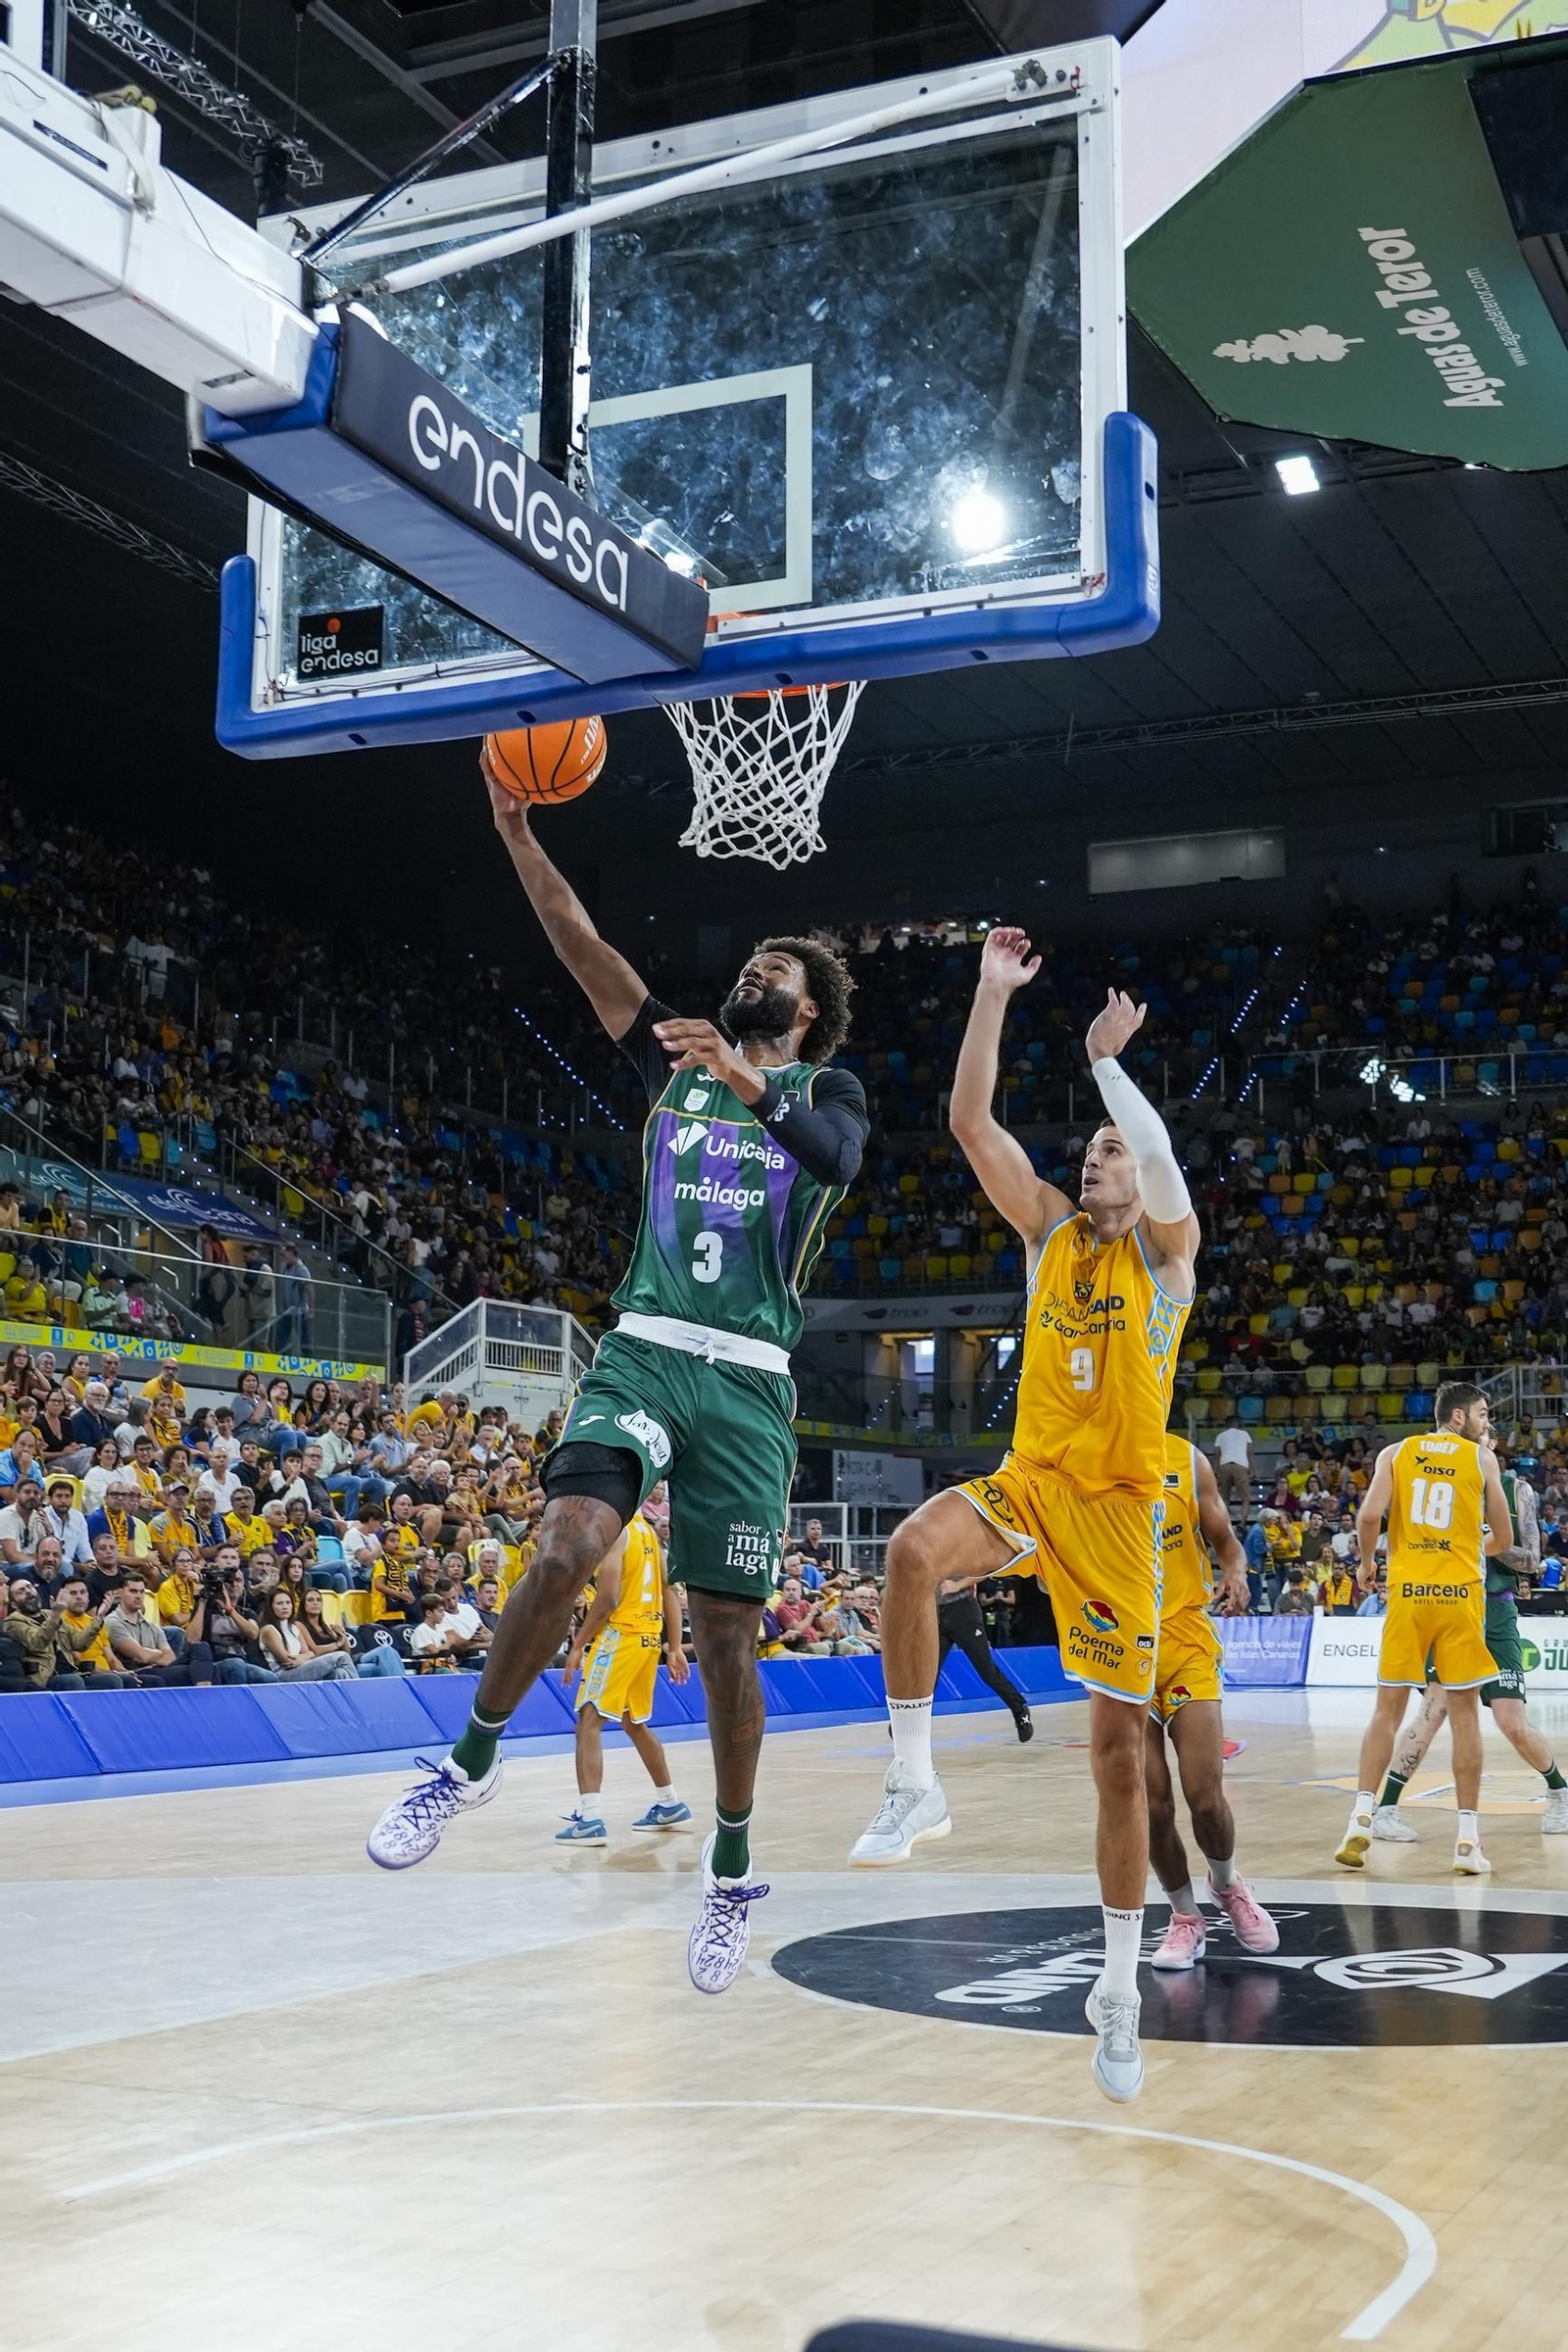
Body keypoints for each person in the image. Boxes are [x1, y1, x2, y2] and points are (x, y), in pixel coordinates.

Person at [368, 757, 866, 2003]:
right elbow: (577, 940)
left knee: (729, 1638)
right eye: (749, 961)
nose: (752, 972)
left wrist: (742, 1078)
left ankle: (732, 1867)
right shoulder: (672, 1059)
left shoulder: (823, 1086)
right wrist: (516, 833)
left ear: (804, 1009)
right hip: (644, 1345)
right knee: (567, 1541)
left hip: (748, 1382)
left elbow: (837, 1160)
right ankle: (469, 1762)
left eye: (774, 970)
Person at [848, 947, 1198, 2107]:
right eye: (1088, 1150)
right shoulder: (1048, 1232)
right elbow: (968, 1123)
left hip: (1118, 1517)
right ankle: (914, 1781)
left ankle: (1117, 1987)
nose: (1095, 1160)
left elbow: (1157, 1157)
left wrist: (1108, 1073)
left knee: (1117, 1761)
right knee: (909, 1552)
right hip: (1032, 1483)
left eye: (1108, 1151)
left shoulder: (1167, 1256)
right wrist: (991, 994)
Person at [1335, 1384, 1512, 1877]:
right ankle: (1467, 1842)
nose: (1486, 1423)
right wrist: (1469, 1545)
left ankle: (1361, 1816)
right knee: (1464, 1718)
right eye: (1482, 1413)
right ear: (1457, 1418)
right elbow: (1504, 1538)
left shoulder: (1395, 1453)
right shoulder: (1482, 1460)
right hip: (1460, 1598)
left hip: (1408, 1595)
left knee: (1386, 1712)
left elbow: (1369, 1516)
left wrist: (1367, 1563)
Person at [1368, 1442, 1568, 1843]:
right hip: (1448, 1604)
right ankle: (1385, 1809)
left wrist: (1479, 1538)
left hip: (1495, 1610)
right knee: (1433, 1709)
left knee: (1512, 1722)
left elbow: (1531, 1559)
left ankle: (1559, 1792)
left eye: (1486, 1423)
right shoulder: (1432, 1478)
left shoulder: (1514, 1488)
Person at [1147, 1438, 1278, 1969]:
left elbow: (1224, 1539)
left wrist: (1236, 1570)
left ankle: (1226, 1885)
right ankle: (1184, 1917)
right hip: (1116, 1648)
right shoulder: (1085, 1460)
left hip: (1185, 1640)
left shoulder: (1185, 1459)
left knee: (1204, 1796)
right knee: (1150, 1806)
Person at [556, 1510, 693, 1845]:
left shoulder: (617, 1532)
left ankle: (590, 1819)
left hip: (621, 1636)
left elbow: (607, 1598)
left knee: (588, 1723)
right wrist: (674, 1647)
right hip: (649, 1641)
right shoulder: (649, 1533)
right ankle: (669, 1803)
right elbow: (669, 1592)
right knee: (634, 1723)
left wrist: (578, 1643)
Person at [934, 1574, 1033, 1740]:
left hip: (963, 1612)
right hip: (936, 1613)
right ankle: (910, 1716)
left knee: (987, 1671)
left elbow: (983, 1572)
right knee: (929, 1673)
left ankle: (1019, 1709)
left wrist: (958, 1585)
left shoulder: (961, 1555)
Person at [260, 1586, 357, 1681]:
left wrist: (300, 1658)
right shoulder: (269, 1630)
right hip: (285, 1674)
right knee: (342, 1656)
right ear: (271, 1607)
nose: (285, 1607)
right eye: (279, 1603)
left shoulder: (293, 1628)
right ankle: (360, 1689)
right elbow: (288, 1661)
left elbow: (310, 1654)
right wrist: (303, 1658)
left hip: (302, 1667)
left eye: (288, 1603)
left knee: (339, 1672)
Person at [1210, 1416, 1253, 1518]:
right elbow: (1250, 1453)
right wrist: (1254, 1471)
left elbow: (1216, 1455)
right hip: (1240, 1465)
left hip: (1224, 1465)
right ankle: (1242, 1523)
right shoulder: (1245, 1434)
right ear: (1238, 1423)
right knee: (1245, 1498)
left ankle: (1226, 1522)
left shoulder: (1220, 1436)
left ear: (1226, 1424)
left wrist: (1215, 1473)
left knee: (1225, 1497)